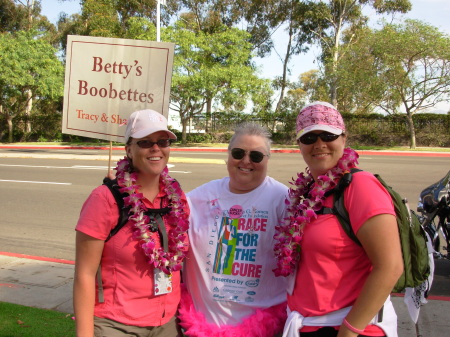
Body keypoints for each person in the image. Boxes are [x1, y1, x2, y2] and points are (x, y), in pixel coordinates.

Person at [274, 102, 403, 337]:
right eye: (309, 137)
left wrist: (349, 330)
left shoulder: (361, 187)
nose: (319, 144)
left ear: (344, 138)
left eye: (328, 135)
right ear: (299, 144)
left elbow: (390, 267)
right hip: (308, 325)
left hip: (347, 329)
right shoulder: (311, 191)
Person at [73, 109, 189, 337]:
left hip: (168, 323)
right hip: (117, 325)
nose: (156, 148)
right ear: (128, 149)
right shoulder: (105, 199)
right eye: (145, 142)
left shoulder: (177, 197)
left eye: (163, 141)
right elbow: (84, 274)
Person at [178, 122, 289, 337]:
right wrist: (126, 189)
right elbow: (160, 217)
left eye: (256, 156)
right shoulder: (198, 198)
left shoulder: (283, 200)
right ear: (228, 156)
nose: (246, 161)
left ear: (267, 160)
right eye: (238, 153)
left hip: (266, 329)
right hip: (203, 328)